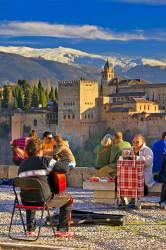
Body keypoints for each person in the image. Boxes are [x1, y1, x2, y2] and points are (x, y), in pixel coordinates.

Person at [18, 138, 73, 237]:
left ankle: (30, 230)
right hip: (44, 200)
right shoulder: (45, 160)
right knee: (68, 199)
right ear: (40, 150)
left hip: (25, 200)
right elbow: (65, 168)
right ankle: (62, 230)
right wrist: (65, 159)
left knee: (31, 192)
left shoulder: (22, 165)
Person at [152, 131, 166, 207]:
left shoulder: (155, 144)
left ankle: (163, 201)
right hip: (160, 174)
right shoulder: (164, 145)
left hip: (155, 173)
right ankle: (163, 201)